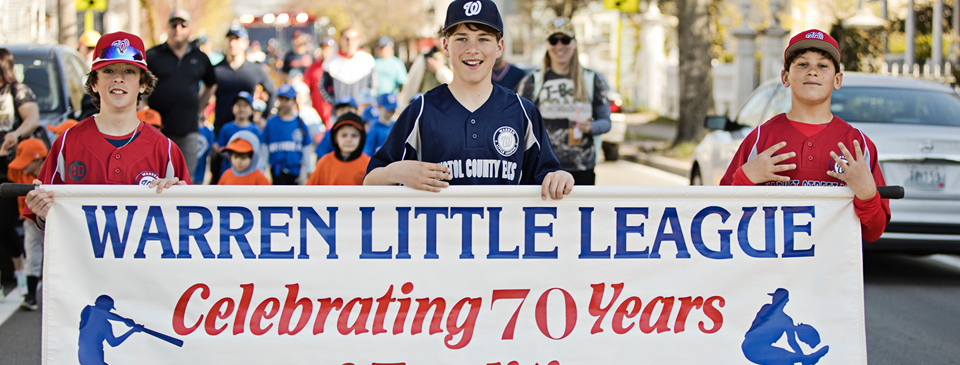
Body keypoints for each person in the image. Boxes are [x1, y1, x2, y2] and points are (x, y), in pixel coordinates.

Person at [364, 0, 574, 201]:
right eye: (462, 38)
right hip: (439, 237)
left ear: (499, 47)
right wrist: (394, 173)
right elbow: (369, 182)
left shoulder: (523, 113)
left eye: (483, 38)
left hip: (504, 237)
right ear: (445, 46)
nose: (472, 49)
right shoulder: (421, 111)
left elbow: (547, 176)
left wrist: (560, 177)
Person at [718, 29, 890, 243]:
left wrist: (866, 195)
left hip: (831, 272)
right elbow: (721, 216)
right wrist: (745, 179)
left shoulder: (857, 145)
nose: (812, 71)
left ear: (837, 80)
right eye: (802, 64)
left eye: (823, 65)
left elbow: (873, 232)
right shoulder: (760, 138)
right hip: (769, 271)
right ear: (785, 76)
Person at [24, 31, 191, 229]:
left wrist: (180, 201)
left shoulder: (166, 149)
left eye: (129, 71)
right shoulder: (68, 142)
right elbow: (48, 222)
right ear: (94, 82)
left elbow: (186, 224)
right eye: (108, 71)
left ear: (143, 84)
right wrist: (43, 214)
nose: (118, 79)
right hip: (84, 259)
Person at [516, 17, 611, 186]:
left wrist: (591, 127)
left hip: (581, 168)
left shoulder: (592, 79)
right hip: (543, 168)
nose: (559, 46)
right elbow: (519, 123)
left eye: (565, 40)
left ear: (574, 43)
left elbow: (606, 122)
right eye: (554, 40)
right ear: (547, 44)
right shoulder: (532, 81)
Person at [145, 9, 217, 177]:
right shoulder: (153, 55)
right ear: (167, 28)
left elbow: (211, 83)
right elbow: (139, 84)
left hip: (188, 131)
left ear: (189, 29)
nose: (178, 29)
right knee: (155, 178)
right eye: (173, 25)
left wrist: (199, 108)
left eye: (182, 25)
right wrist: (143, 107)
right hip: (157, 131)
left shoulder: (200, 57)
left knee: (185, 179)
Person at [211, 24, 275, 184]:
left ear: (245, 43)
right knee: (220, 180)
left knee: (248, 179)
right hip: (222, 132)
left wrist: (264, 117)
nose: (233, 43)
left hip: (247, 131)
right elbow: (202, 95)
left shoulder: (255, 69)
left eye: (237, 39)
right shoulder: (216, 70)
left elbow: (272, 91)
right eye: (230, 39)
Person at [0, 48, 40, 297]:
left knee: (4, 224)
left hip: (10, 168)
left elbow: (32, 118)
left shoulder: (18, 91)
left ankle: (19, 268)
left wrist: (15, 134)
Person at [742, 289, 830, 365]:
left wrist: (801, 357)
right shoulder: (770, 311)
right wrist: (802, 358)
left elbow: (792, 341)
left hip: (756, 348)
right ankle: (808, 359)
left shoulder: (785, 320)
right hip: (752, 347)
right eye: (774, 297)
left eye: (775, 297)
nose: (773, 299)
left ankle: (807, 359)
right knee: (785, 357)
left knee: (786, 361)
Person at [7, 138, 46, 309]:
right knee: (32, 254)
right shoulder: (19, 172)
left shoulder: (55, 172)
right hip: (30, 220)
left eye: (26, 161)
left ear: (38, 159)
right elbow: (7, 171)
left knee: (57, 256)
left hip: (55, 220)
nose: (21, 165)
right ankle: (31, 296)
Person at [262, 84, 312, 185]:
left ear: (293, 101)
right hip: (276, 173)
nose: (283, 103)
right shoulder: (271, 123)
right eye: (281, 99)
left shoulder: (300, 123)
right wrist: (261, 170)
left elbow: (306, 148)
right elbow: (264, 148)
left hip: (296, 173)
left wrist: (308, 170)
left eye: (287, 99)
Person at [319, 28, 377, 108]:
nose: (350, 42)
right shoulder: (330, 62)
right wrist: (331, 101)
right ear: (341, 39)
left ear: (358, 40)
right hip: (339, 111)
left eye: (354, 39)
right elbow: (322, 85)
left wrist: (367, 102)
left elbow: (373, 85)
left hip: (360, 111)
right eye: (347, 39)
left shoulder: (367, 60)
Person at [307, 112, 369, 185]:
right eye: (344, 135)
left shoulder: (369, 165)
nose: (348, 140)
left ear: (361, 139)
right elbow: (310, 190)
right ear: (335, 138)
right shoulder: (324, 163)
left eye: (354, 135)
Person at [78, 295, 142, 365]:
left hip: (83, 358)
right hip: (94, 360)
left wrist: (128, 324)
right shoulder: (102, 322)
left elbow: (113, 343)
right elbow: (113, 342)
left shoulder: (87, 312)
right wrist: (126, 323)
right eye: (109, 308)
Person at [215, 91, 261, 174]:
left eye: (245, 106)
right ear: (232, 109)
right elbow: (219, 146)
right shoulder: (226, 128)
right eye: (239, 105)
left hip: (249, 173)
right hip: (228, 171)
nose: (242, 109)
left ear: (251, 111)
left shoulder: (255, 130)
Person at [398, 45, 452, 113]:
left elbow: (456, 85)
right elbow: (412, 83)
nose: (441, 40)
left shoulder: (455, 57)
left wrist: (439, 70)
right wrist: (403, 107)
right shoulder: (425, 56)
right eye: (439, 36)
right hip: (426, 105)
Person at [304, 38, 336, 128]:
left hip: (333, 111)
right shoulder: (313, 67)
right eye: (324, 48)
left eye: (328, 48)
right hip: (316, 111)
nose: (326, 51)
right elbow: (306, 88)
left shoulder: (338, 66)